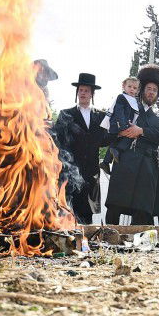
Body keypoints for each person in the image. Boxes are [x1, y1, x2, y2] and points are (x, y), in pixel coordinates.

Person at [104, 64, 159, 225]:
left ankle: (138, 246)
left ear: (158, 95)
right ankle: (108, 240)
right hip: (125, 160)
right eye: (148, 88)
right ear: (142, 90)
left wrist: (141, 130)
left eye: (154, 90)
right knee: (115, 204)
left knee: (142, 210)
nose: (151, 92)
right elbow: (114, 122)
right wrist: (120, 131)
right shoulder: (129, 106)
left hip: (148, 165)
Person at [54, 73, 109, 224]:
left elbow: (106, 139)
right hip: (70, 171)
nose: (83, 93)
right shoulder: (66, 114)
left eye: (86, 90)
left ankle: (85, 246)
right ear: (77, 92)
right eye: (81, 90)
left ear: (92, 93)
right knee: (68, 212)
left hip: (91, 173)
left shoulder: (102, 116)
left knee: (87, 214)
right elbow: (57, 140)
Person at [99, 76, 140, 176]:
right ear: (124, 86)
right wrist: (123, 126)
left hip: (122, 124)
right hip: (118, 124)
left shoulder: (134, 100)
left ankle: (105, 162)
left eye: (134, 88)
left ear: (137, 90)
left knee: (114, 142)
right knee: (129, 136)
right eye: (129, 86)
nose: (132, 89)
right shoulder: (122, 97)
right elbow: (119, 112)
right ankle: (118, 150)